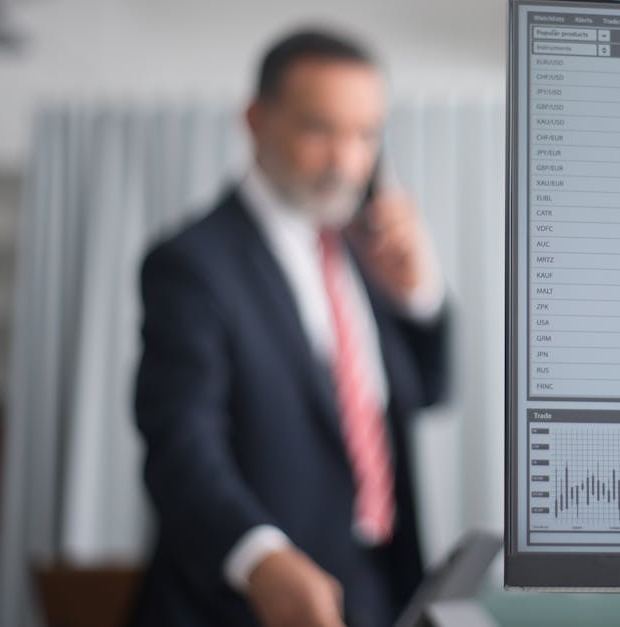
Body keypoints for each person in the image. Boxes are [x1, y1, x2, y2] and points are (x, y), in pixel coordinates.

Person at [130, 28, 449, 627]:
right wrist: (260, 559)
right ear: (255, 120)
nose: (346, 162)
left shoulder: (360, 252)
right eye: (319, 129)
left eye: (365, 135)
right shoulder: (193, 264)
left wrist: (419, 297)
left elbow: (425, 394)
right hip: (249, 602)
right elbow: (181, 444)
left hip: (378, 588)